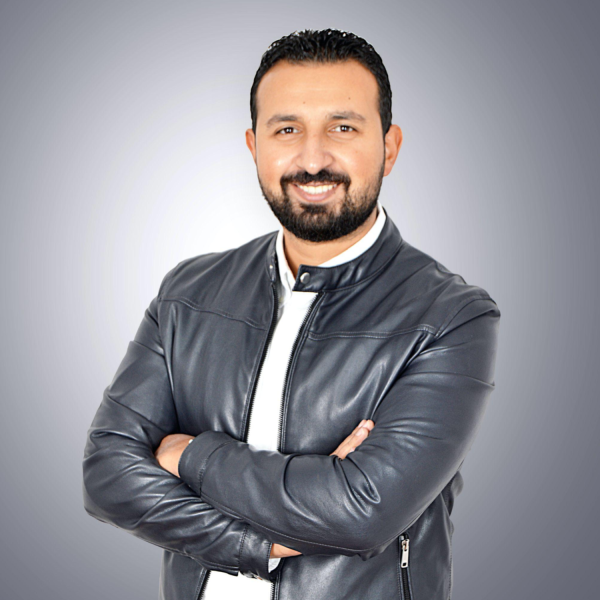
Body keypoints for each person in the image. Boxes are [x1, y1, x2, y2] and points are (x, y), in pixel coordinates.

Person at [82, 28, 501, 600]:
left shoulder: (452, 316)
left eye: (343, 128)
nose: (313, 158)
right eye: (287, 129)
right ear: (254, 146)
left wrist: (188, 454)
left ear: (390, 146)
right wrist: (260, 543)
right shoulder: (189, 292)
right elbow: (107, 475)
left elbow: (361, 512)